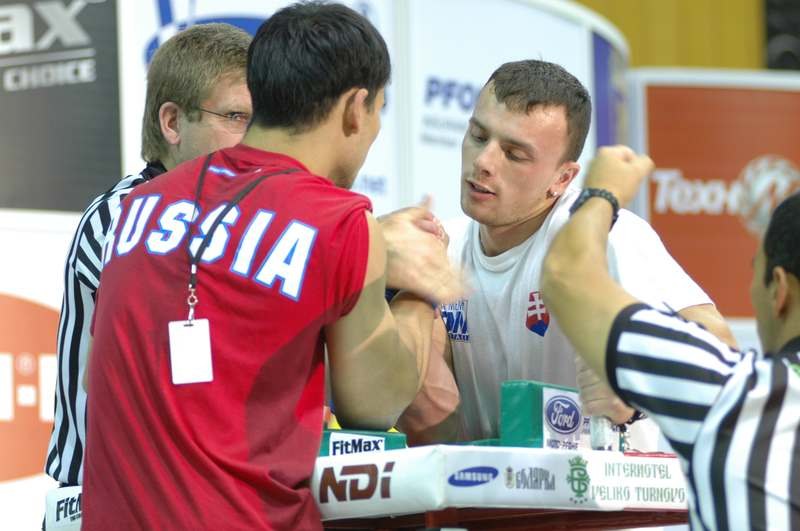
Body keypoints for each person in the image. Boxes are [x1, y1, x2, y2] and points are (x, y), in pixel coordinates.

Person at [81, 3, 460, 530]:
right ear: (356, 108)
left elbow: (94, 372)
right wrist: (420, 294)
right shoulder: (341, 220)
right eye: (378, 111)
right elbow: (374, 405)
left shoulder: (139, 206)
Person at [397, 59, 735, 445]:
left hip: (613, 501)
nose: (484, 162)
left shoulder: (600, 232)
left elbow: (720, 344)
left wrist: (633, 392)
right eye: (478, 135)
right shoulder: (445, 247)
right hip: (496, 498)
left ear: (562, 178)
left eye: (514, 154)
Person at [541, 145, 800, 530]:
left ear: (778, 290)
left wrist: (601, 195)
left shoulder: (738, 392)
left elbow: (565, 278)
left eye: (753, 271)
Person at [45, 22, 252, 489]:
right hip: (102, 499)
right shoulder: (120, 215)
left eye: (265, 121)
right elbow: (144, 366)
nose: (256, 139)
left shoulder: (250, 221)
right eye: (237, 117)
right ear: (173, 122)